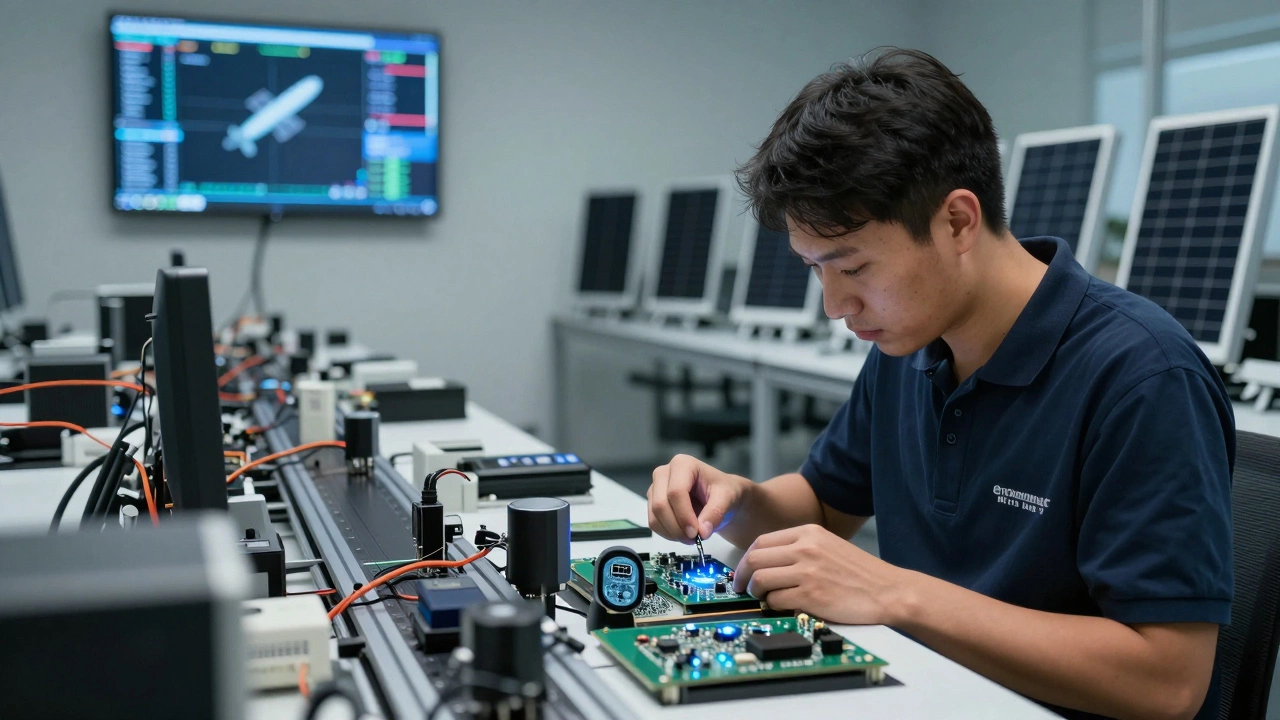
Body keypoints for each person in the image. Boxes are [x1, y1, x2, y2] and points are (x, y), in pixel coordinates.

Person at [646, 48, 1234, 720]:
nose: (836, 307)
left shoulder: (1142, 376)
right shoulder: (910, 342)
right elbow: (825, 502)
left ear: (957, 220)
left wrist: (897, 594)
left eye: (854, 268)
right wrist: (735, 499)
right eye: (815, 270)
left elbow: (1167, 683)